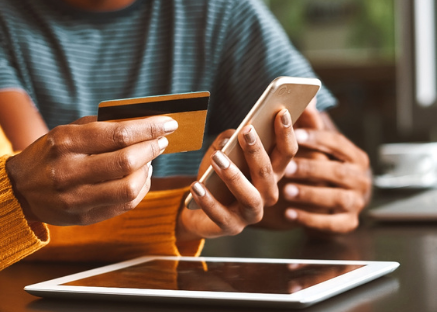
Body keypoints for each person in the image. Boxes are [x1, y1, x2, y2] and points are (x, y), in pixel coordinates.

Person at [0, 0, 371, 269]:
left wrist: (344, 185)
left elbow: (319, 155)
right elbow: (45, 199)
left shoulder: (223, 12)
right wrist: (189, 205)